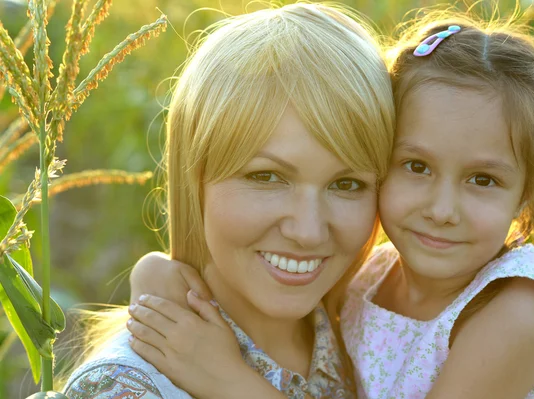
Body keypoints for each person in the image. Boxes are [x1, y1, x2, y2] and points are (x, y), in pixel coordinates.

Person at [126, 11, 534, 399]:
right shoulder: (372, 275)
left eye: (483, 179)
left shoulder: (517, 316)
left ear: (525, 194)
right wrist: (154, 277)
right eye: (416, 166)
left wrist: (226, 380)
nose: (442, 208)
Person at [62, 3, 396, 398]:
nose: (307, 232)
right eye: (266, 176)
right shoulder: (129, 388)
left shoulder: (375, 342)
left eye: (346, 184)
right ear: (194, 178)